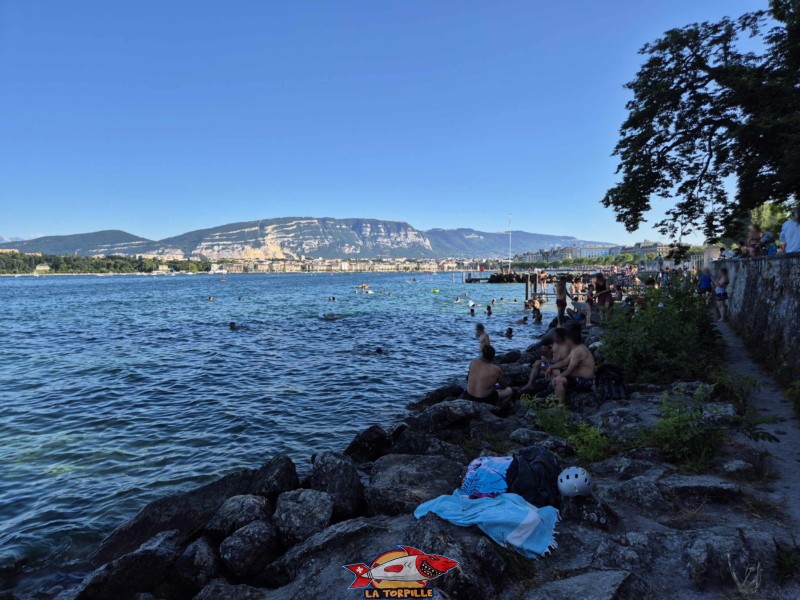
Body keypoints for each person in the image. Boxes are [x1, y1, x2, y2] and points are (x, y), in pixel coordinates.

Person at [548, 326, 596, 408]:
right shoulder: (575, 348)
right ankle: (558, 394)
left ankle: (561, 404)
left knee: (559, 380)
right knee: (554, 370)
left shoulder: (579, 350)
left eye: (566, 339)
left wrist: (557, 378)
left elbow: (569, 371)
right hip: (577, 377)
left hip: (585, 381)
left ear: (570, 339)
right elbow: (565, 362)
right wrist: (551, 367)